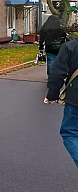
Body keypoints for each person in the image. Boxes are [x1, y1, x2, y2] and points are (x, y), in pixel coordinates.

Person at [45, 36, 78, 167]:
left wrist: (52, 95)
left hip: (76, 98)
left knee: (70, 133)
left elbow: (57, 73)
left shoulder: (70, 47)